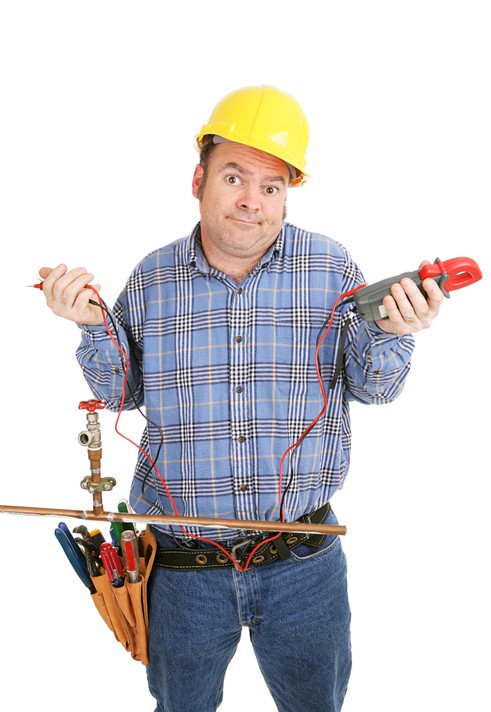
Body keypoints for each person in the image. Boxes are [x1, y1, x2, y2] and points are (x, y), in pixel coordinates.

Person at [39, 85, 443, 712]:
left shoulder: (332, 268)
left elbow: (373, 386)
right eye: (234, 176)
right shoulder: (151, 277)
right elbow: (120, 392)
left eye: (272, 186)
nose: (251, 200)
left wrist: (395, 332)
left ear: (287, 194)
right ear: (199, 179)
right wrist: (90, 325)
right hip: (181, 570)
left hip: (303, 564)